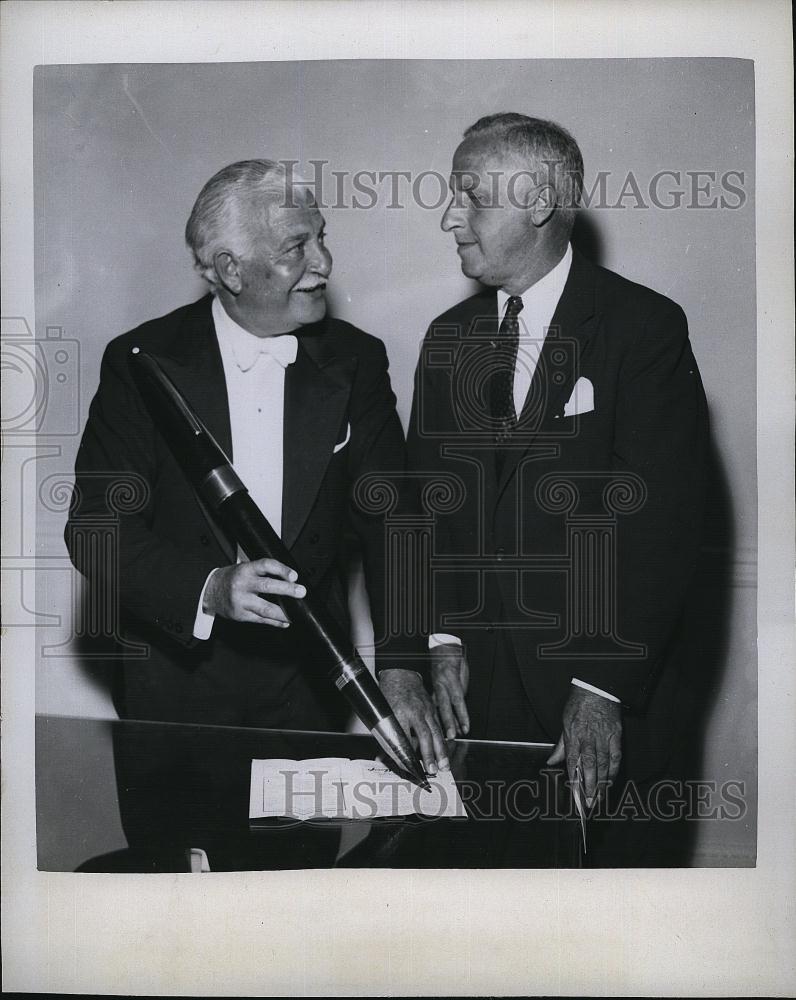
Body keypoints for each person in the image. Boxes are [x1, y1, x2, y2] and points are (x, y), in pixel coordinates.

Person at [66, 159, 444, 767]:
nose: (323, 262)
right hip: (173, 683)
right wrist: (211, 588)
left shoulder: (358, 360)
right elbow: (95, 530)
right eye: (298, 246)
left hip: (312, 685)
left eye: (322, 236)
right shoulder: (141, 362)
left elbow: (395, 523)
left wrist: (401, 667)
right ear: (228, 269)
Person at [405, 114, 709, 861]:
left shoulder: (645, 330)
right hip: (476, 705)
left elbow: (664, 528)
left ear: (539, 202)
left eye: (470, 197)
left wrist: (601, 689)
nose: (450, 216)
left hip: (603, 700)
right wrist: (439, 639)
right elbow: (422, 507)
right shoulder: (447, 339)